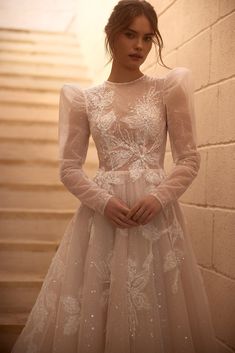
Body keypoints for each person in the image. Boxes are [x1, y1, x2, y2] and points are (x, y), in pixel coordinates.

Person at [11, 1, 219, 352]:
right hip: (104, 221)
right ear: (111, 36)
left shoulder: (167, 89)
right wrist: (103, 201)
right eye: (130, 35)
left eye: (148, 38)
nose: (139, 45)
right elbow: (69, 168)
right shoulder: (84, 100)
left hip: (155, 220)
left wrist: (159, 197)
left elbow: (188, 160)